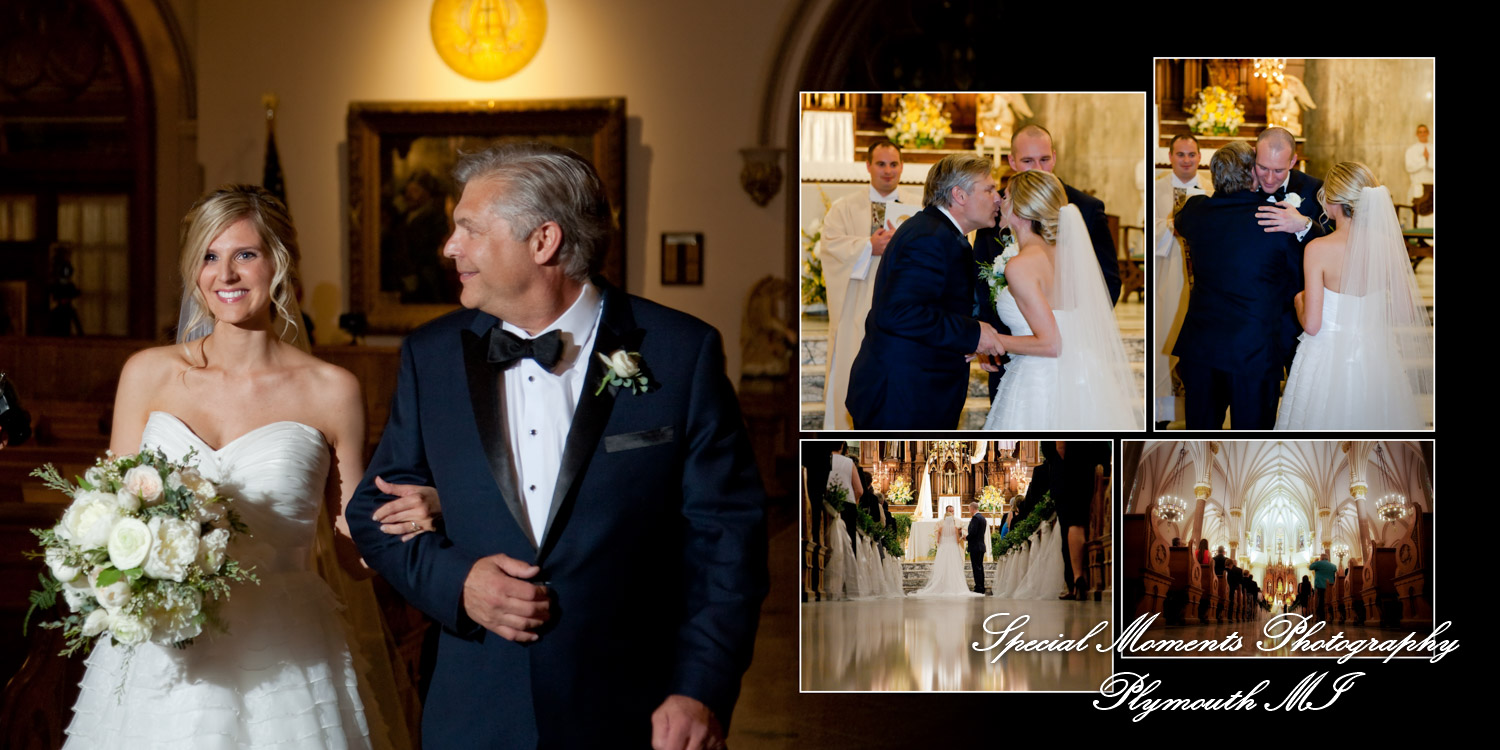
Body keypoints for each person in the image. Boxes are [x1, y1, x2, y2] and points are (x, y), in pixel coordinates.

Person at [345, 142, 767, 749]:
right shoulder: (430, 356)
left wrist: (700, 688)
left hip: (632, 712)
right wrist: (458, 582)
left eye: (468, 229)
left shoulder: (680, 353)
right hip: (477, 709)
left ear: (543, 242)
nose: (449, 248)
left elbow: (728, 541)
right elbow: (373, 511)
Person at [64, 185, 433, 748]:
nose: (226, 275)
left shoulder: (333, 390)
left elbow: (352, 554)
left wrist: (417, 520)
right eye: (209, 257)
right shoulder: (147, 374)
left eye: (245, 255)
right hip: (163, 655)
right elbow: (111, 507)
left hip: (286, 656)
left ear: (279, 262)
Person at [845, 154, 1005, 428]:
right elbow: (898, 313)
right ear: (960, 195)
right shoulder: (930, 237)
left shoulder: (938, 231)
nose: (998, 198)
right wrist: (973, 333)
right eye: (988, 189)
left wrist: (969, 339)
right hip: (902, 399)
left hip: (911, 392)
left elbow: (935, 306)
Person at [1276, 162, 1433, 429]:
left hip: (1325, 359)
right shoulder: (1386, 245)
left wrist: (1299, 301)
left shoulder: (1318, 248)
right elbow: (1406, 314)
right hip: (1377, 358)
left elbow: (1312, 326)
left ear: (1333, 201)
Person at [973, 124, 1122, 403]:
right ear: (1012, 161)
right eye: (1028, 161)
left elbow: (1108, 281)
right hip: (1007, 356)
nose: (1038, 167)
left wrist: (1078, 331)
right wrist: (991, 341)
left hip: (1071, 353)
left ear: (1054, 157)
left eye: (1044, 159)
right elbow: (980, 285)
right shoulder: (996, 208)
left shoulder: (1085, 208)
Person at [980, 170, 1139, 429]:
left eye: (1005, 196)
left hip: (1041, 381)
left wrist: (988, 340)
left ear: (1022, 207)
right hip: (1083, 375)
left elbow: (1051, 344)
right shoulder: (1068, 256)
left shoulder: (1021, 266)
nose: (999, 201)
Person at [1173, 142, 1303, 429]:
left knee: (1201, 440)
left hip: (1202, 349)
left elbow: (1181, 221)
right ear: (1252, 176)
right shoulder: (1276, 220)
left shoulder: (1194, 211)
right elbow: (1296, 279)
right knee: (1252, 443)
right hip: (1254, 351)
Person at [821, 140, 921, 429]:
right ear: (867, 166)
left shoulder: (919, 207)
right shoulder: (844, 208)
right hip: (857, 307)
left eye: (893, 164)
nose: (888, 171)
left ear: (902, 166)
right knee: (855, 368)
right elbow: (829, 247)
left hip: (905, 306)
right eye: (881, 164)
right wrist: (868, 246)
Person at [1251, 127, 1326, 371]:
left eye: (1279, 170)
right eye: (1263, 168)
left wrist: (1304, 225)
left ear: (1293, 161)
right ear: (1254, 155)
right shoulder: (1241, 189)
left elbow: (1336, 244)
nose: (1270, 178)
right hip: (1255, 312)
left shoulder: (1317, 191)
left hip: (1301, 308)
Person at [1153, 134, 1210, 427]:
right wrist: (1172, 225)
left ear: (1200, 157)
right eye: (1180, 154)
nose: (1186, 160)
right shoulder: (1157, 188)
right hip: (1169, 280)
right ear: (1170, 156)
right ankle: (1163, 415)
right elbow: (1149, 230)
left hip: (1203, 280)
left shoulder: (1211, 189)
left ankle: (1197, 414)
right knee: (1167, 336)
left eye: (1191, 154)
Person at [909, 505, 981, 598]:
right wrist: (958, 536)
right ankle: (949, 586)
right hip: (952, 548)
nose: (952, 513)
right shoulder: (940, 523)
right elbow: (940, 534)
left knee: (948, 567)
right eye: (950, 511)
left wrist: (960, 532)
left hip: (948, 548)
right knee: (950, 567)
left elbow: (964, 531)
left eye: (953, 511)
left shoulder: (957, 522)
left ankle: (946, 585)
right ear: (946, 512)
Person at [1405, 124, 1434, 228]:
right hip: (1418, 188)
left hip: (1432, 188)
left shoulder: (1433, 148)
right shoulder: (1411, 150)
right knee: (1419, 215)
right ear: (1417, 134)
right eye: (1420, 132)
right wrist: (1424, 159)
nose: (1423, 134)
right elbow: (1409, 167)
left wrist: (1429, 160)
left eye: (1424, 131)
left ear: (1428, 133)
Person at [966, 501, 988, 595]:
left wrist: (966, 537)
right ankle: (981, 586)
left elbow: (973, 532)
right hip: (981, 546)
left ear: (972, 508)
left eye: (969, 509)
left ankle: (978, 587)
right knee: (980, 567)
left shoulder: (975, 518)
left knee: (976, 568)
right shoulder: (982, 518)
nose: (969, 511)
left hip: (975, 546)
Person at [1308, 552, 1337, 621]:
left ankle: (1321, 617)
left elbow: (1310, 567)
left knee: (1320, 601)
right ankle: (1331, 615)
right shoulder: (1333, 565)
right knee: (1330, 600)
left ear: (1321, 558)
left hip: (1320, 585)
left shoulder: (1318, 563)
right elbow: (1335, 570)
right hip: (1331, 586)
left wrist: (1315, 562)